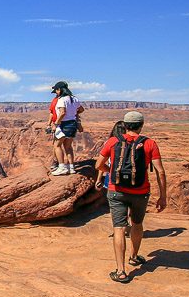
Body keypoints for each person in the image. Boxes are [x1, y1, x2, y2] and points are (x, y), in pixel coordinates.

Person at [95, 111, 167, 283]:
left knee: (119, 228)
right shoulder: (149, 143)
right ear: (141, 125)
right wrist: (163, 197)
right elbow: (160, 172)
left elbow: (98, 165)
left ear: (125, 126)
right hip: (141, 192)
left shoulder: (113, 141)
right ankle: (133, 257)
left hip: (116, 190)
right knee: (137, 224)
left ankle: (121, 271)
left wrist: (110, 173)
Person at [50, 81, 85, 175]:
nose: (56, 92)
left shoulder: (62, 99)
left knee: (57, 145)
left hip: (63, 125)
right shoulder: (74, 98)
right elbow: (81, 109)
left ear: (60, 89)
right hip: (73, 124)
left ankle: (62, 167)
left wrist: (56, 124)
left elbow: (62, 112)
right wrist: (74, 113)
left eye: (56, 90)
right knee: (68, 147)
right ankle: (72, 167)